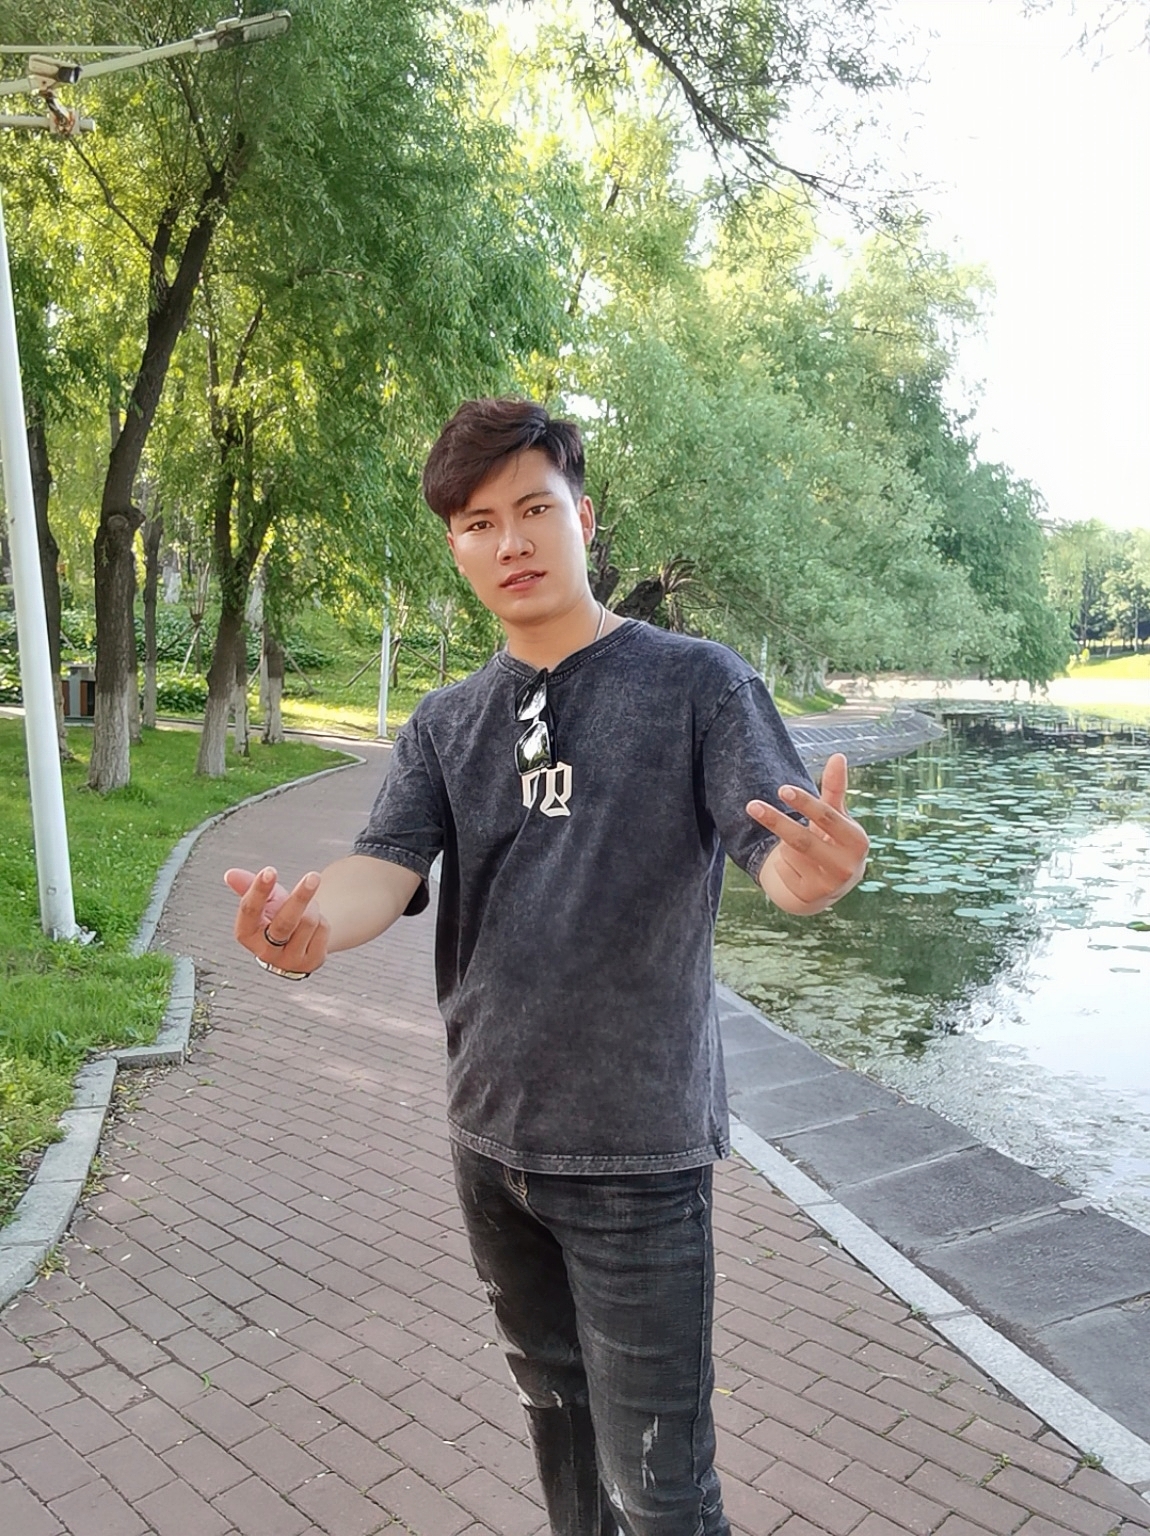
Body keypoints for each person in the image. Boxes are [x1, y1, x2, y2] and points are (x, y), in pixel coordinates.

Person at [225, 398, 869, 1536]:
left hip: (637, 1156)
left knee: (663, 1493)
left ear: (585, 517)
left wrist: (808, 877)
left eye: (534, 509)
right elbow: (385, 866)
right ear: (456, 546)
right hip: (490, 1144)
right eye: (478, 523)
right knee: (564, 1456)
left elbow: (774, 846)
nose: (510, 542)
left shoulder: (698, 684)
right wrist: (311, 924)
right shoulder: (446, 721)